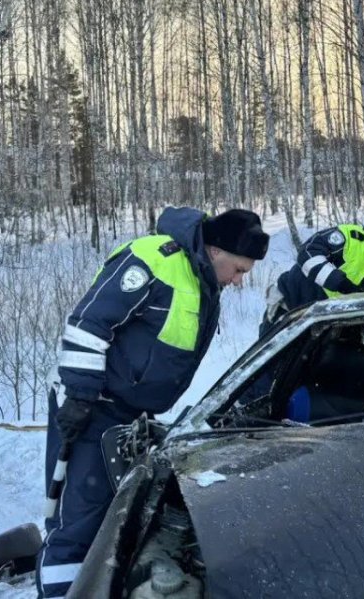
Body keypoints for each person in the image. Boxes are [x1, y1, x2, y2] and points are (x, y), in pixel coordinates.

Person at [36, 206, 269, 598]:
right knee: (76, 527)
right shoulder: (153, 259)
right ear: (215, 251)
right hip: (91, 407)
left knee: (113, 523)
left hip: (130, 415)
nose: (239, 281)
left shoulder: (203, 280)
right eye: (239, 270)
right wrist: (78, 398)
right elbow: (88, 322)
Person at [262, 214, 364, 358]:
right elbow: (308, 253)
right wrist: (339, 283)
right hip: (290, 310)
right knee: (270, 374)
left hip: (326, 329)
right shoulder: (351, 239)